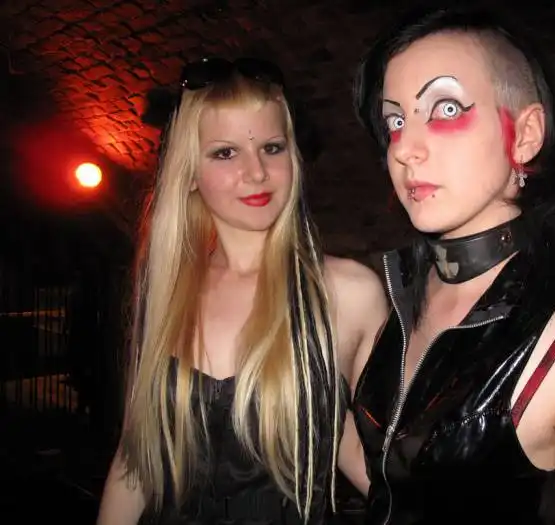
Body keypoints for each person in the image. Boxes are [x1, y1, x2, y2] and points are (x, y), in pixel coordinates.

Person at [349, 6, 555, 524]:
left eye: (445, 109)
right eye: (395, 121)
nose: (405, 150)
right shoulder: (397, 296)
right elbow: (393, 486)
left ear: (526, 134)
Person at [96, 56, 387, 525]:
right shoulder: (169, 293)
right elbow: (135, 465)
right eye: (225, 153)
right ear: (189, 172)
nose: (256, 173)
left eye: (272, 147)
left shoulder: (348, 293)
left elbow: (356, 445)